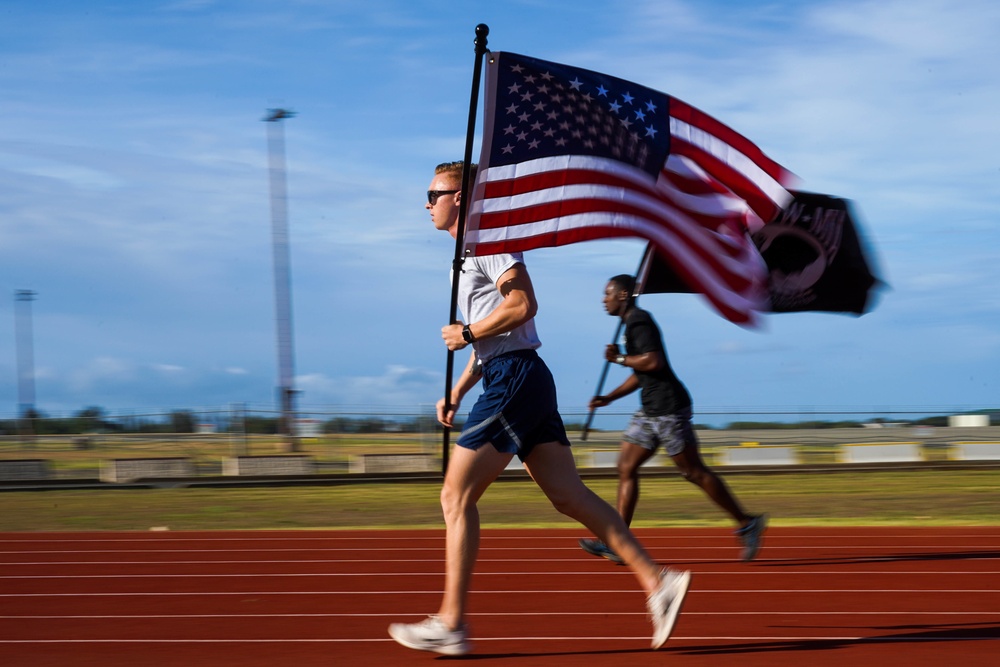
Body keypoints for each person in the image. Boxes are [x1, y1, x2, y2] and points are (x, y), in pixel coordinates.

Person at [388, 162, 692, 656]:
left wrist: (466, 333)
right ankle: (659, 582)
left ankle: (451, 623)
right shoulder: (468, 255)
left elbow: (523, 306)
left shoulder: (490, 241)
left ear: (461, 198)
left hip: (517, 380)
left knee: (454, 496)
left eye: (434, 193)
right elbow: (495, 334)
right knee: (569, 496)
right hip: (520, 376)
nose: (427, 203)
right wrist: (461, 388)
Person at [579, 274, 767, 565]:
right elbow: (642, 373)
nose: (603, 300)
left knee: (693, 471)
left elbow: (654, 362)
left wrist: (617, 359)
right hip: (650, 410)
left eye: (608, 294)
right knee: (626, 467)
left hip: (668, 408)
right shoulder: (631, 324)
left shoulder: (639, 320)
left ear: (624, 295)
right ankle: (617, 541)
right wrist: (609, 397)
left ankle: (747, 522)